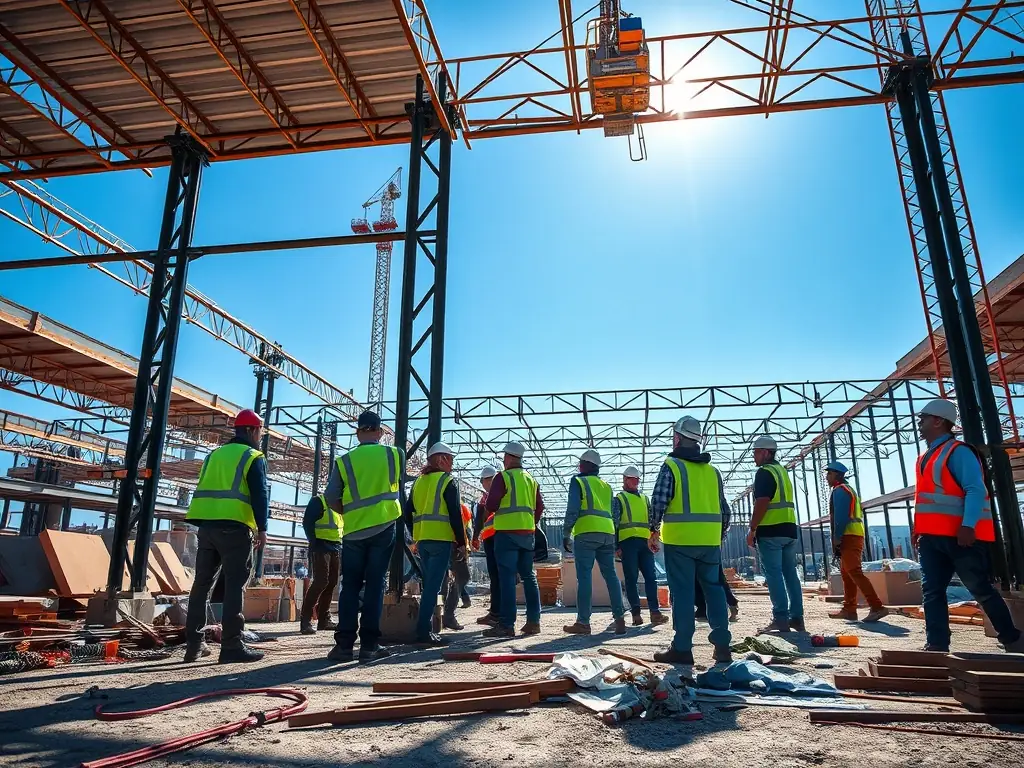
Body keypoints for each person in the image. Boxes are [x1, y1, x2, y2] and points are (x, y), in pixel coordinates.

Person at [913, 399, 1023, 653]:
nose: (920, 424)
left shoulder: (958, 452)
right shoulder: (924, 457)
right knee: (932, 591)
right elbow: (925, 499)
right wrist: (918, 530)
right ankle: (937, 644)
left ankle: (1011, 638)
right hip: (932, 538)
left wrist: (968, 525)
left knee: (980, 588)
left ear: (939, 421)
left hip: (960, 536)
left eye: (924, 419)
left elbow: (974, 490)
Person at [184, 408, 269, 664]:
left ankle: (194, 645)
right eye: (260, 433)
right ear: (254, 430)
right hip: (234, 527)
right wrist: (262, 528)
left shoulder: (214, 456)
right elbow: (259, 494)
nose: (260, 437)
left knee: (201, 585)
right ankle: (231, 645)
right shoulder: (253, 456)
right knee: (234, 586)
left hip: (207, 527)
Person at [650, 416, 732, 665]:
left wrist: (653, 530)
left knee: (683, 593)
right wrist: (717, 535)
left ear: (677, 438)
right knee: (714, 591)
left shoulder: (672, 465)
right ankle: (723, 647)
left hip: (680, 541)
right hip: (709, 542)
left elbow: (659, 501)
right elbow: (725, 511)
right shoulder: (713, 472)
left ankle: (683, 648)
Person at [325, 411, 403, 663]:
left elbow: (330, 497)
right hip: (383, 527)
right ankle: (370, 646)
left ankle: (344, 646)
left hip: (353, 531)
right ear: (380, 433)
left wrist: (349, 512)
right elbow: (396, 485)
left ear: (358, 432)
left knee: (350, 586)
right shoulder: (394, 455)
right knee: (375, 585)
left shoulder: (344, 461)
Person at [404, 442, 468, 645]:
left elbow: (407, 511)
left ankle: (425, 628)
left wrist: (416, 534)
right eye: (451, 459)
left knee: (429, 585)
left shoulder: (418, 483)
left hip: (423, 541)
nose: (452, 464)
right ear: (441, 459)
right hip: (441, 540)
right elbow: (455, 515)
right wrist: (461, 542)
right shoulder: (448, 481)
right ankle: (423, 631)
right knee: (433, 587)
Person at [482, 442, 543, 638]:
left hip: (507, 534)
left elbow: (491, 504)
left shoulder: (503, 477)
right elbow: (539, 507)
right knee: (528, 576)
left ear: (508, 458)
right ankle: (534, 621)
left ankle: (507, 625)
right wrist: (531, 523)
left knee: (507, 578)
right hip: (527, 533)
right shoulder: (531, 479)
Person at [562, 450, 627, 635]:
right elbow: (612, 513)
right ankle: (620, 619)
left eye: (580, 462)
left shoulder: (578, 481)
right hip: (607, 533)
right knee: (611, 576)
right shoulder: (606, 486)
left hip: (586, 533)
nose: (578, 466)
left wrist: (566, 533)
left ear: (585, 465)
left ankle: (583, 623)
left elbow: (572, 509)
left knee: (584, 577)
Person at [746, 435, 804, 633]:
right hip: (789, 529)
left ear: (765, 452)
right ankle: (796, 617)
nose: (754, 456)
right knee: (790, 574)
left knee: (774, 575)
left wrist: (752, 529)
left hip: (771, 530)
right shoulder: (782, 471)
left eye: (755, 452)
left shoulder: (764, 472)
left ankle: (780, 618)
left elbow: (762, 502)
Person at [825, 461, 889, 623]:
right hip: (853, 535)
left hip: (848, 536)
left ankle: (877, 606)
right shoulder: (848, 490)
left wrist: (837, 539)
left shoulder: (840, 491)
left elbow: (840, 518)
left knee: (854, 572)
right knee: (847, 574)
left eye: (829, 474)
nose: (827, 477)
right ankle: (849, 609)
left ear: (838, 475)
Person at [611, 465, 668, 627]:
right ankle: (636, 614)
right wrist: (616, 546)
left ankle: (655, 612)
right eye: (632, 479)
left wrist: (654, 538)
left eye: (637, 480)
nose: (635, 482)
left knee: (651, 578)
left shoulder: (645, 499)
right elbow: (614, 524)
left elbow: (651, 522)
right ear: (625, 480)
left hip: (644, 543)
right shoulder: (619, 499)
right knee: (631, 579)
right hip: (627, 543)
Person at [298, 493, 342, 634]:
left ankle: (324, 619)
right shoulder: (319, 501)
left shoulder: (342, 504)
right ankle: (305, 620)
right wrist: (314, 542)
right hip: (321, 546)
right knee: (321, 581)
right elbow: (307, 522)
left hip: (336, 546)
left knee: (332, 582)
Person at [471, 466, 501, 626]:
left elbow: (479, 519)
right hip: (501, 537)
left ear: (488, 480)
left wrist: (475, 537)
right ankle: (498, 612)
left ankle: (496, 613)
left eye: (483, 480)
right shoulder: (503, 493)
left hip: (492, 538)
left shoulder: (487, 498)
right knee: (500, 577)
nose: (482, 483)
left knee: (496, 577)